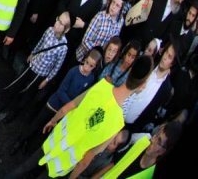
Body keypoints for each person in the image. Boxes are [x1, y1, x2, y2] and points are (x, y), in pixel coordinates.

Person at [10, 55, 153, 179]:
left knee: (24, 167)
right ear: (142, 85)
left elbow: (70, 106)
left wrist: (53, 120)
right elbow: (87, 159)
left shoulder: (102, 86)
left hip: (57, 139)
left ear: (130, 71)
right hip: (65, 161)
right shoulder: (117, 123)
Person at [0, 11, 70, 122]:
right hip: (32, 64)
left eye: (61, 23)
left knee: (26, 93)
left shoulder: (63, 48)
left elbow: (57, 67)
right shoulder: (49, 30)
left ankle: (13, 113)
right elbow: (40, 43)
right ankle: (3, 103)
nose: (57, 23)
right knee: (17, 83)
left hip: (40, 73)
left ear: (66, 30)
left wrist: (47, 80)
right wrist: (33, 53)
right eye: (58, 19)